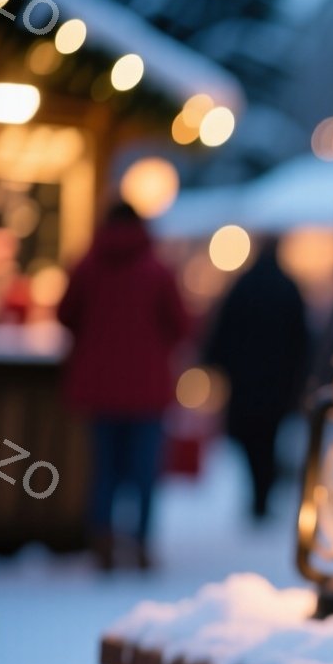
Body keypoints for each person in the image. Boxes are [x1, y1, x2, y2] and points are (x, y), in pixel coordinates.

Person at [57, 202, 190, 570]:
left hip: (97, 387)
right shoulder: (158, 271)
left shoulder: (86, 267)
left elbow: (65, 315)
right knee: (144, 472)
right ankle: (142, 546)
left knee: (105, 471)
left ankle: (102, 544)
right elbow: (182, 326)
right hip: (147, 389)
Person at [201, 241, 311, 521]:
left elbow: (223, 330)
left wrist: (217, 364)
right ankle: (262, 494)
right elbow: (302, 338)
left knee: (250, 440)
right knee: (268, 440)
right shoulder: (288, 287)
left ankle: (258, 495)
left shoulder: (243, 286)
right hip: (278, 382)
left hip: (245, 381)